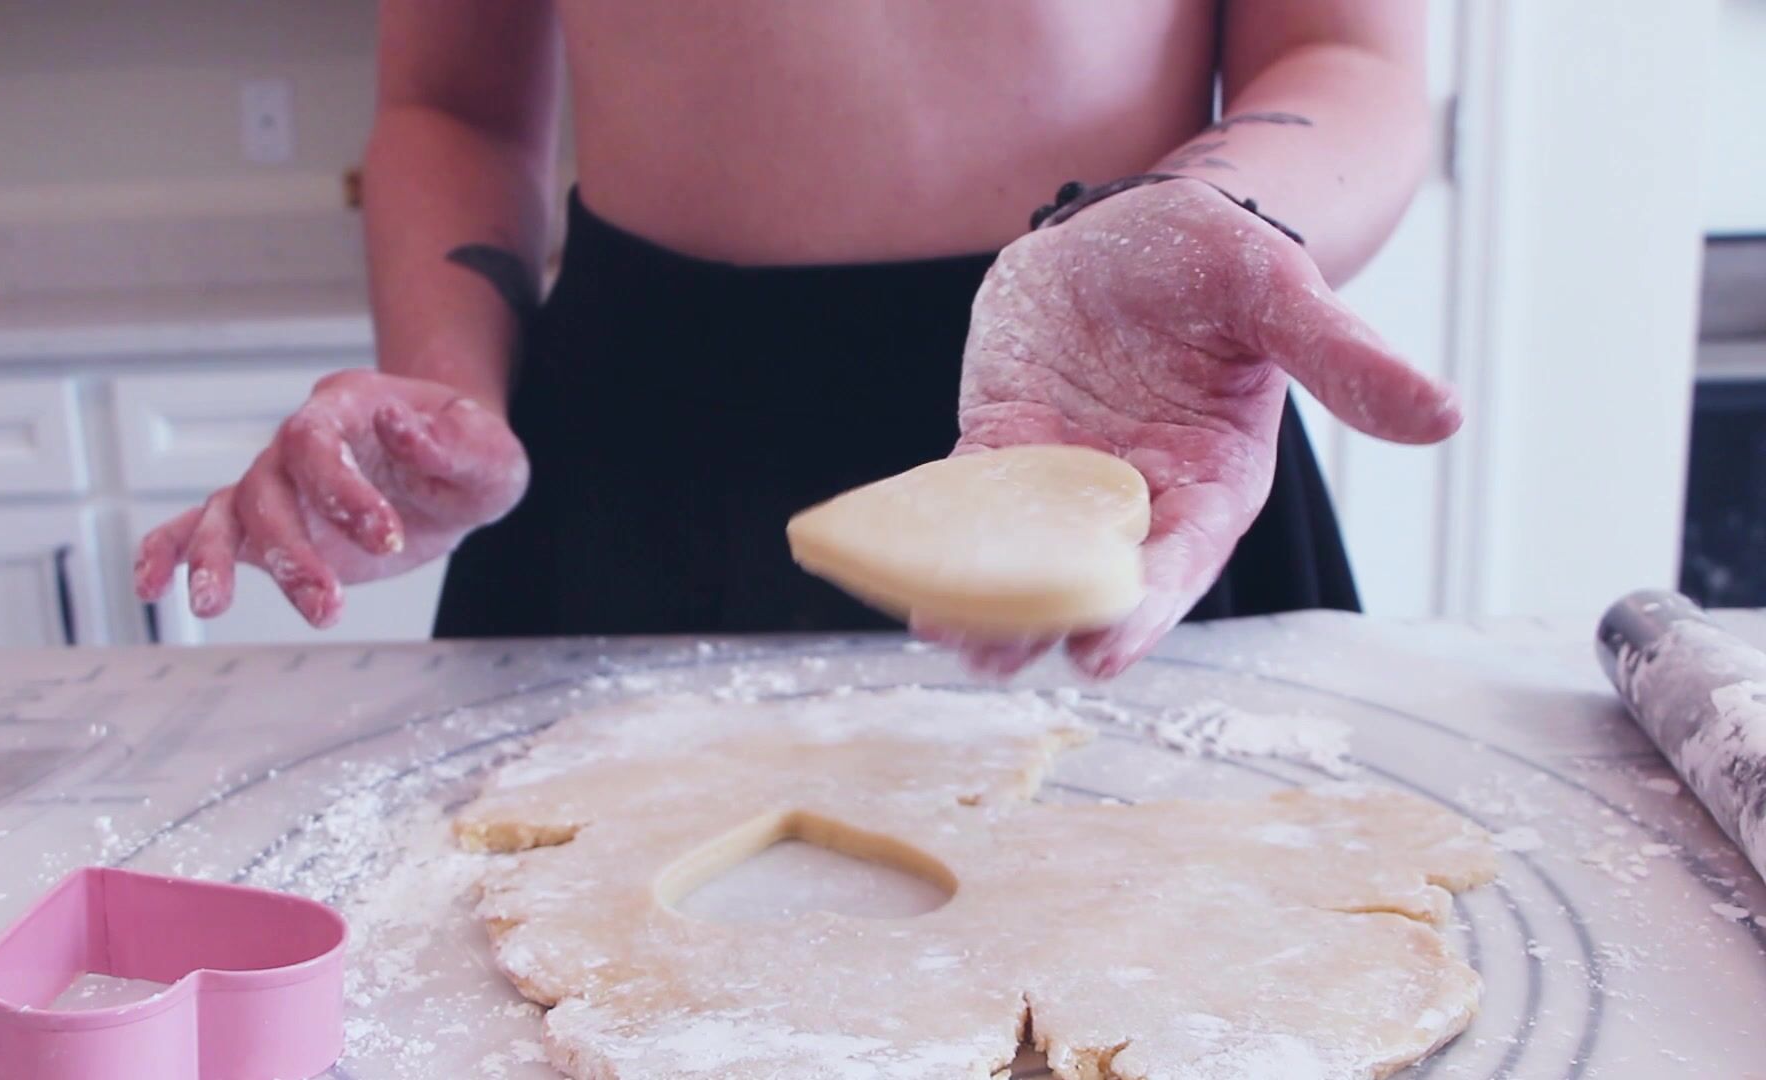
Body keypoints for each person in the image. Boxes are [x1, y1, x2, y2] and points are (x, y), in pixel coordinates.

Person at [134, 1, 1459, 679]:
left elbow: (1346, 49)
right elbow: (453, 107)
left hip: (1116, 414)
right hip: (635, 453)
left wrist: (1195, 233)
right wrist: (446, 392)